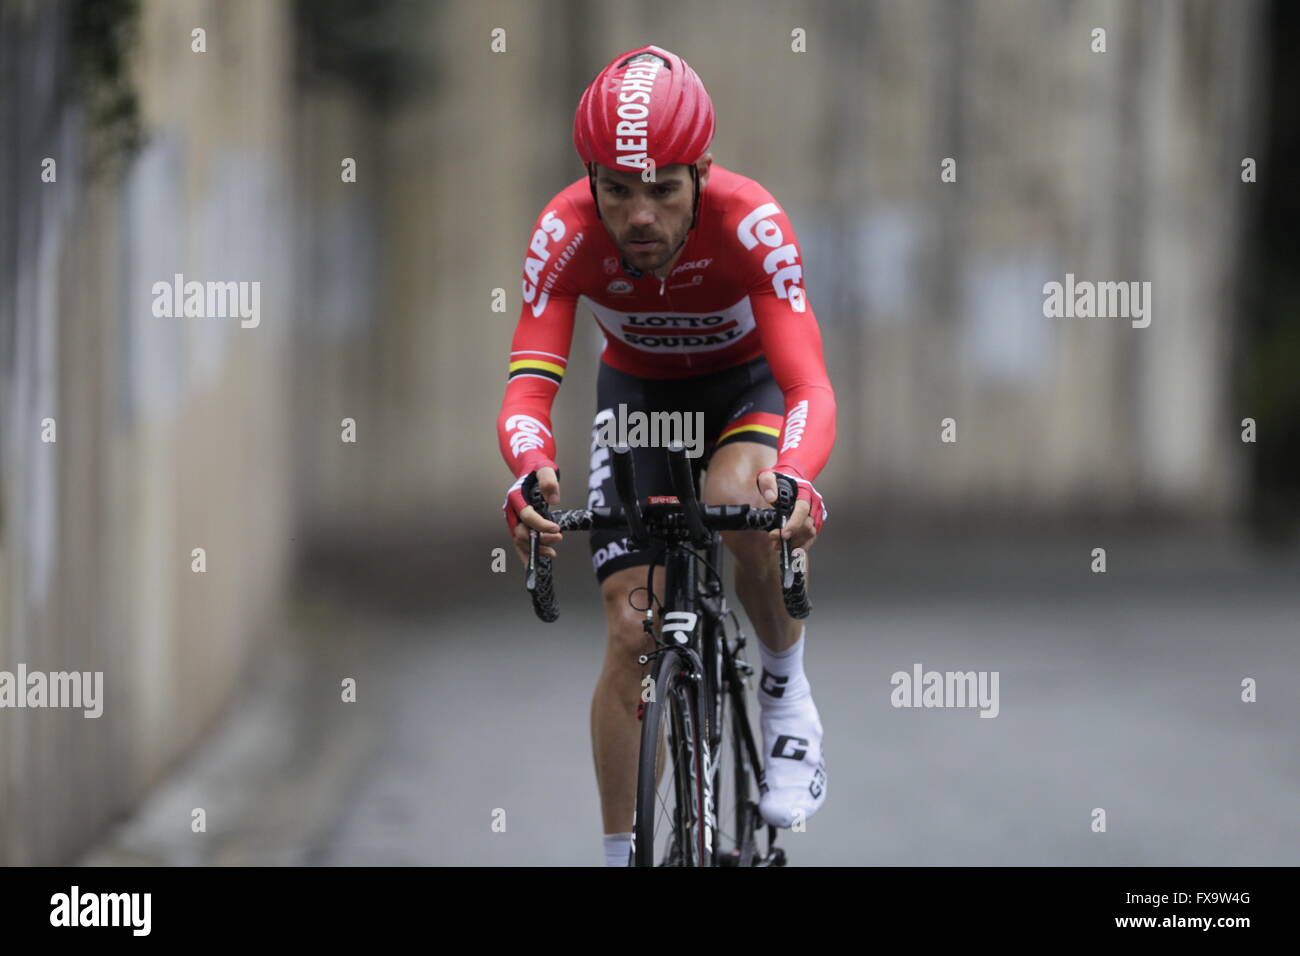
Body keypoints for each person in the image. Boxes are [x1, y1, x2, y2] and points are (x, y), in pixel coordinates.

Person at [496, 45, 837, 866]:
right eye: (615, 189)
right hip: (643, 402)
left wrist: (796, 483)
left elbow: (809, 387)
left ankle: (786, 691)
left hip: (745, 389)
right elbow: (527, 388)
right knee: (629, 626)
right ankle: (622, 857)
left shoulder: (751, 222)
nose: (639, 215)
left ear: (702, 173)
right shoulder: (562, 233)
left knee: (740, 496)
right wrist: (527, 472)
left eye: (662, 189)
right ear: (590, 181)